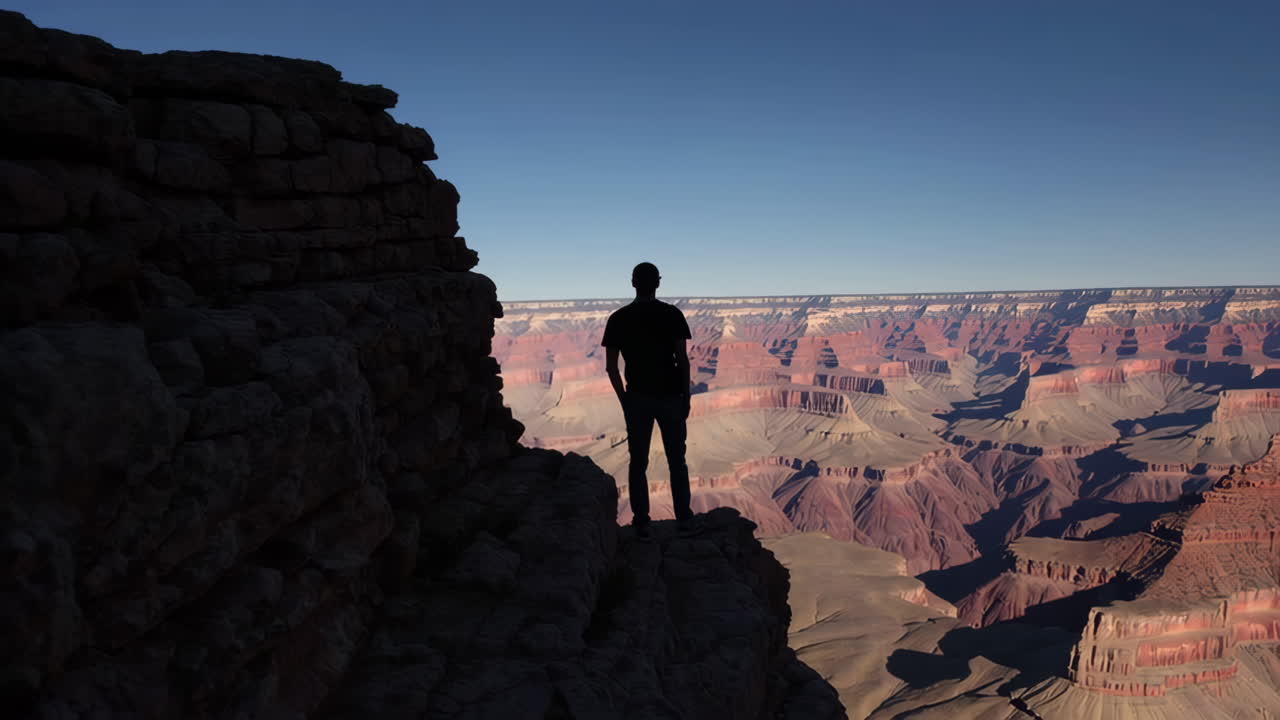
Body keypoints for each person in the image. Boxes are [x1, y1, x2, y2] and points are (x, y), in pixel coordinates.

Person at [602, 262, 700, 540]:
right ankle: (684, 520)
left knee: (638, 462)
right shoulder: (672, 315)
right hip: (670, 397)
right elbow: (682, 360)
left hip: (637, 399)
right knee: (677, 461)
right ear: (658, 283)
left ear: (633, 283)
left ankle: (642, 523)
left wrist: (625, 401)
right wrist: (687, 396)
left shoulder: (618, 318)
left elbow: (611, 368)